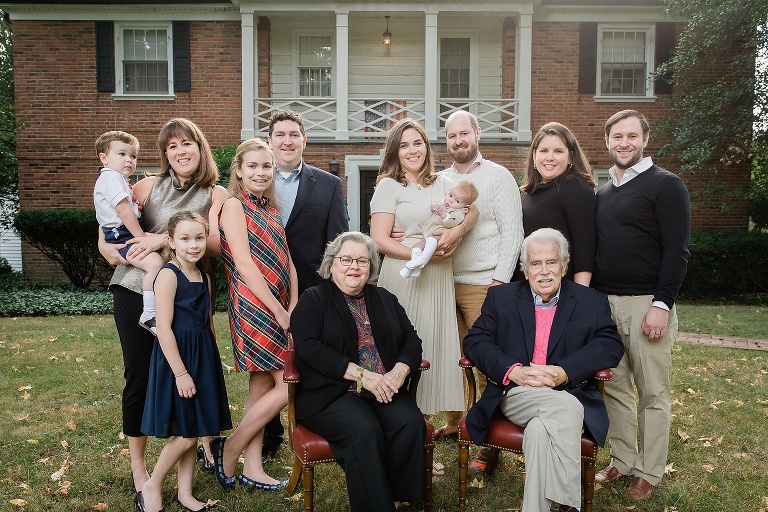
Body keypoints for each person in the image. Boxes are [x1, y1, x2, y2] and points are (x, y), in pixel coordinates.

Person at [98, 118, 228, 501]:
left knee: (193, 371)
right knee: (139, 376)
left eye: (188, 143)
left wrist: (160, 241)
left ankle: (201, 444)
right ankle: (140, 468)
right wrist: (133, 257)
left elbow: (220, 244)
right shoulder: (145, 186)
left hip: (190, 294)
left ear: (200, 148)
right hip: (135, 288)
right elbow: (107, 242)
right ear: (164, 154)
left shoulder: (216, 193)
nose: (181, 151)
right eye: (172, 146)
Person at [463, 228, 625, 512]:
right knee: (566, 407)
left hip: (565, 389)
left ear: (564, 265)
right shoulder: (502, 298)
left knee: (541, 431)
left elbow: (610, 344)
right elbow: (476, 341)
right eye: (535, 264)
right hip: (516, 393)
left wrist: (564, 371)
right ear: (525, 270)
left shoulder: (590, 301)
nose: (544, 271)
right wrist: (513, 370)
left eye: (551, 262)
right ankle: (569, 505)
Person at [592, 110, 691, 500]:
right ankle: (623, 458)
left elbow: (677, 252)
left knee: (652, 391)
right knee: (613, 386)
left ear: (645, 139)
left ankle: (649, 471)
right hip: (606, 305)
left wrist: (661, 304)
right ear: (608, 141)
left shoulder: (666, 186)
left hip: (646, 303)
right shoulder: (604, 192)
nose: (624, 143)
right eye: (617, 136)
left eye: (632, 136)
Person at [291, 231, 426, 512]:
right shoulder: (313, 300)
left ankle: (395, 496)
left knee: (409, 422)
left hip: (384, 388)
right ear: (331, 264)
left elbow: (411, 339)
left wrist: (400, 371)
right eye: (346, 260)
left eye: (362, 261)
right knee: (364, 431)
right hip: (333, 394)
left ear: (371, 267)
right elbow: (309, 348)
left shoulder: (384, 298)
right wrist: (361, 375)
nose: (354, 267)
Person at [370, 118, 477, 426]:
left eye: (417, 143)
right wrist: (420, 254)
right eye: (404, 145)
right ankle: (397, 421)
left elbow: (473, 211)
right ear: (395, 152)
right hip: (404, 275)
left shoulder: (443, 183)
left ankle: (421, 429)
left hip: (437, 280)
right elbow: (380, 238)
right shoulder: (389, 186)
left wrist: (456, 234)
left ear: (427, 147)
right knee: (400, 345)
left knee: (430, 343)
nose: (412, 150)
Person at [436, 110, 523, 470]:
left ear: (477, 134)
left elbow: (512, 232)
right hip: (442, 281)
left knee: (488, 362)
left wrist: (500, 281)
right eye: (451, 136)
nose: (458, 141)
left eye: (464, 134)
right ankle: (456, 422)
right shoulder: (439, 180)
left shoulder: (498, 177)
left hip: (483, 283)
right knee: (450, 357)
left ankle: (489, 438)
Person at [262, 109, 349, 460]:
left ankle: (310, 425)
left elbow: (338, 241)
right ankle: (269, 436)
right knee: (266, 368)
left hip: (310, 291)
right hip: (262, 290)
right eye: (280, 134)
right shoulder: (254, 178)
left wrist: (331, 294)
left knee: (310, 360)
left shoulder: (328, 184)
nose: (287, 140)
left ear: (304, 140)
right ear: (270, 141)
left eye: (293, 134)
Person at [212, 138, 298, 491]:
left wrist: (292, 303)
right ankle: (230, 448)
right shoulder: (235, 206)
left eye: (267, 166)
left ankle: (253, 467)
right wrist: (277, 309)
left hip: (280, 304)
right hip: (254, 306)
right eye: (253, 166)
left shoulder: (272, 209)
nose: (261, 172)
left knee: (261, 386)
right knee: (290, 383)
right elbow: (245, 265)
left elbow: (287, 260)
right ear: (239, 171)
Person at [139, 211, 232, 512]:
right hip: (177, 360)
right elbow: (162, 327)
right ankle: (151, 485)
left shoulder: (203, 276)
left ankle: (185, 492)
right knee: (186, 434)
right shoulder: (168, 274)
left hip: (202, 356)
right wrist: (180, 373)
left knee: (194, 427)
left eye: (199, 238)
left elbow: (207, 320)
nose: (193, 245)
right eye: (185, 238)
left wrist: (212, 361)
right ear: (171, 241)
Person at [93, 130, 164, 334]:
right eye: (121, 154)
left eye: (133, 156)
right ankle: (149, 313)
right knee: (155, 264)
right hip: (123, 233)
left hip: (123, 231)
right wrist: (140, 238)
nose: (129, 160)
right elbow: (123, 211)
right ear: (104, 158)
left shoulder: (117, 179)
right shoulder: (110, 178)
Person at [519, 122, 596, 286]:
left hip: (563, 291)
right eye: (544, 151)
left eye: (558, 151)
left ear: (570, 156)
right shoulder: (530, 193)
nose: (550, 157)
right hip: (532, 290)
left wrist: (579, 296)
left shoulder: (574, 187)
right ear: (534, 155)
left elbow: (585, 248)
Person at [400, 180, 479, 279]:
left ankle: (422, 260)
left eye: (457, 201)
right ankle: (416, 267)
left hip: (440, 236)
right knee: (416, 247)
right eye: (450, 195)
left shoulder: (459, 212)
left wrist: (443, 214)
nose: (450, 200)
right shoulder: (445, 205)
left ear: (466, 206)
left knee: (431, 239)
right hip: (428, 234)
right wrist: (434, 207)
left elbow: (452, 223)